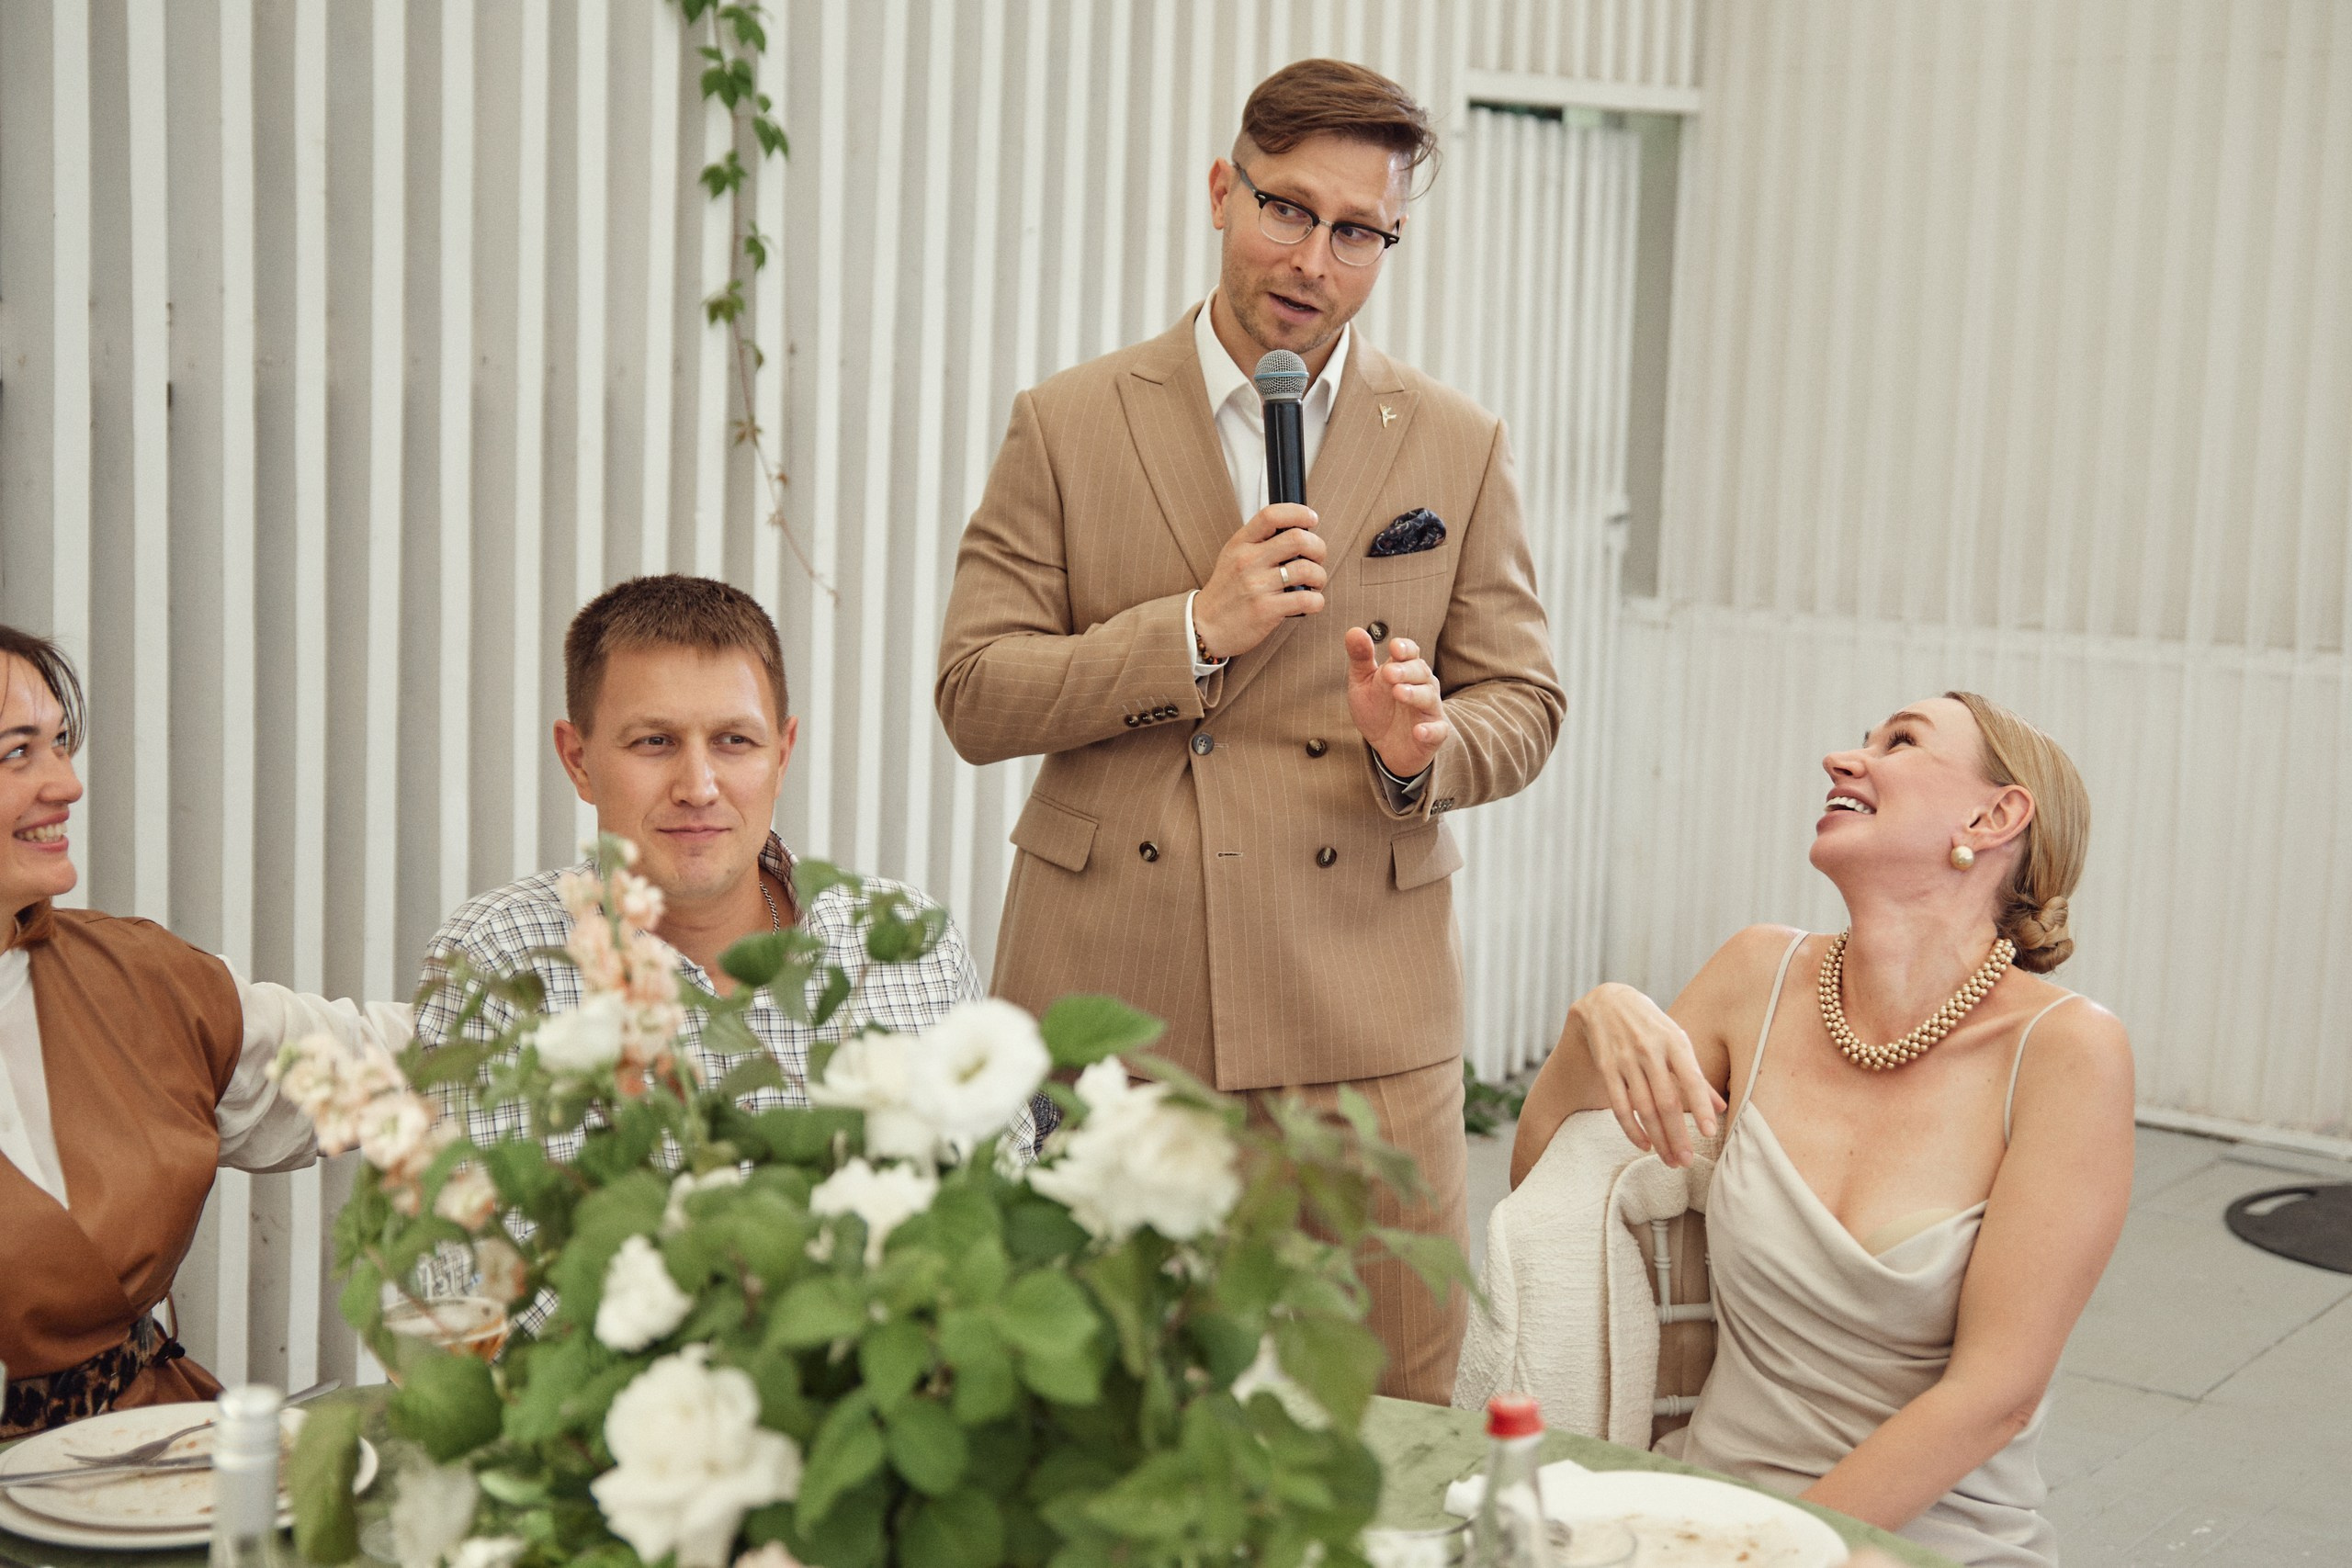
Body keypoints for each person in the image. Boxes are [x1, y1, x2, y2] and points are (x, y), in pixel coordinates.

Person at [936, 60, 1565, 1403]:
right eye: (1286, 210)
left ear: (1388, 244)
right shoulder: (1068, 421)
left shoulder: (1455, 442)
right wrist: (1188, 632)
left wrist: (1424, 747)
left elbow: (1526, 701)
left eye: (1358, 232)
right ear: (1222, 191)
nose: (1313, 259)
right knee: (1080, 1409)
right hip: (1111, 995)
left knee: (1383, 1416)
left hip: (1361, 1016)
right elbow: (976, 690)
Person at [1512, 693, 2132, 1568]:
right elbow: (1552, 1205)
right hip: (1703, 1515)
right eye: (1863, 738)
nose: (1844, 758)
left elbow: (1997, 1393)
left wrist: (1772, 1552)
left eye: (1901, 741)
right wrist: (1594, 1022)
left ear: (1995, 816)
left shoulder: (2070, 1051)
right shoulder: (1756, 974)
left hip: (1919, 1543)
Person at [417, 575, 1037, 1172]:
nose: (698, 787)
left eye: (734, 740)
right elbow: (465, 1259)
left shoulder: (908, 947)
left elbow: (1001, 1211)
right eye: (655, 741)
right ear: (578, 760)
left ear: (782, 754)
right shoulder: (499, 958)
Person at [0, 627, 413, 1436]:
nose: (68, 784)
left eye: (60, 744)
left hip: (148, 1457)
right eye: (17, 753)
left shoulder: (134, 976)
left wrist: (593, 1001)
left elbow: (359, 1061)